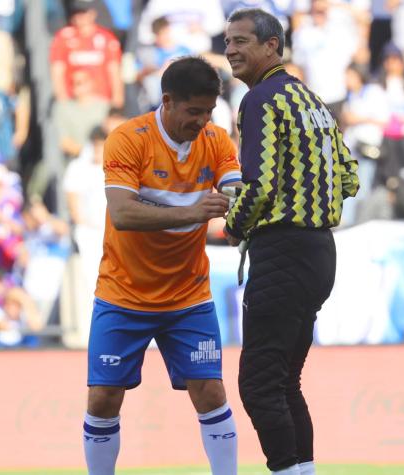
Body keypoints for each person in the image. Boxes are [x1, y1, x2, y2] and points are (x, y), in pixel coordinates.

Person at [82, 56, 242, 475]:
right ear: (167, 102)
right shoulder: (127, 139)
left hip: (188, 296)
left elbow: (235, 190)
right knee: (102, 398)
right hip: (123, 293)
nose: (202, 120)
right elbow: (123, 214)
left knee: (210, 391)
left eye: (209, 111)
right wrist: (194, 213)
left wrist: (243, 214)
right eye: (194, 111)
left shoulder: (217, 140)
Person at [223, 8, 359, 475]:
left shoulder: (261, 99)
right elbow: (349, 176)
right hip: (320, 250)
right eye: (228, 41)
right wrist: (309, 198)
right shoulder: (310, 98)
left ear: (271, 46)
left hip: (282, 249)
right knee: (284, 382)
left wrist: (232, 226)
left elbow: (258, 185)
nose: (231, 50)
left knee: (260, 385)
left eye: (242, 40)